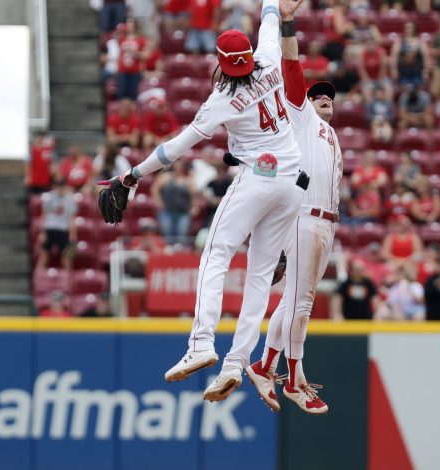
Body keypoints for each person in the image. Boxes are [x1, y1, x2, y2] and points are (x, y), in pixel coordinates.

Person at [109, 0, 307, 403]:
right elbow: (271, 18)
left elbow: (175, 149)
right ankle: (235, 363)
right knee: (259, 275)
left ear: (220, 61)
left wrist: (133, 175)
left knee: (216, 253)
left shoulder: (221, 97)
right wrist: (276, 5)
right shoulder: (267, 60)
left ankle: (201, 343)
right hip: (293, 181)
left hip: (259, 176)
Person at [246, 14, 341, 415]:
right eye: (318, 95)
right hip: (306, 218)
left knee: (291, 302)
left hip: (325, 223)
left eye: (329, 97)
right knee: (302, 304)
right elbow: (291, 67)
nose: (324, 98)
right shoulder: (301, 118)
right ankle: (296, 379)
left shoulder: (330, 135)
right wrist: (287, 23)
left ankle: (264, 365)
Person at [35, 179, 77, 272]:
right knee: (43, 256)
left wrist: (72, 234)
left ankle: (68, 280)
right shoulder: (49, 197)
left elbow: (71, 218)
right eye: (58, 186)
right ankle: (38, 278)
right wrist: (42, 232)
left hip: (63, 229)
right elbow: (44, 215)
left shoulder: (69, 199)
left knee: (66, 257)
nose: (60, 189)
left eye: (62, 186)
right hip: (50, 228)